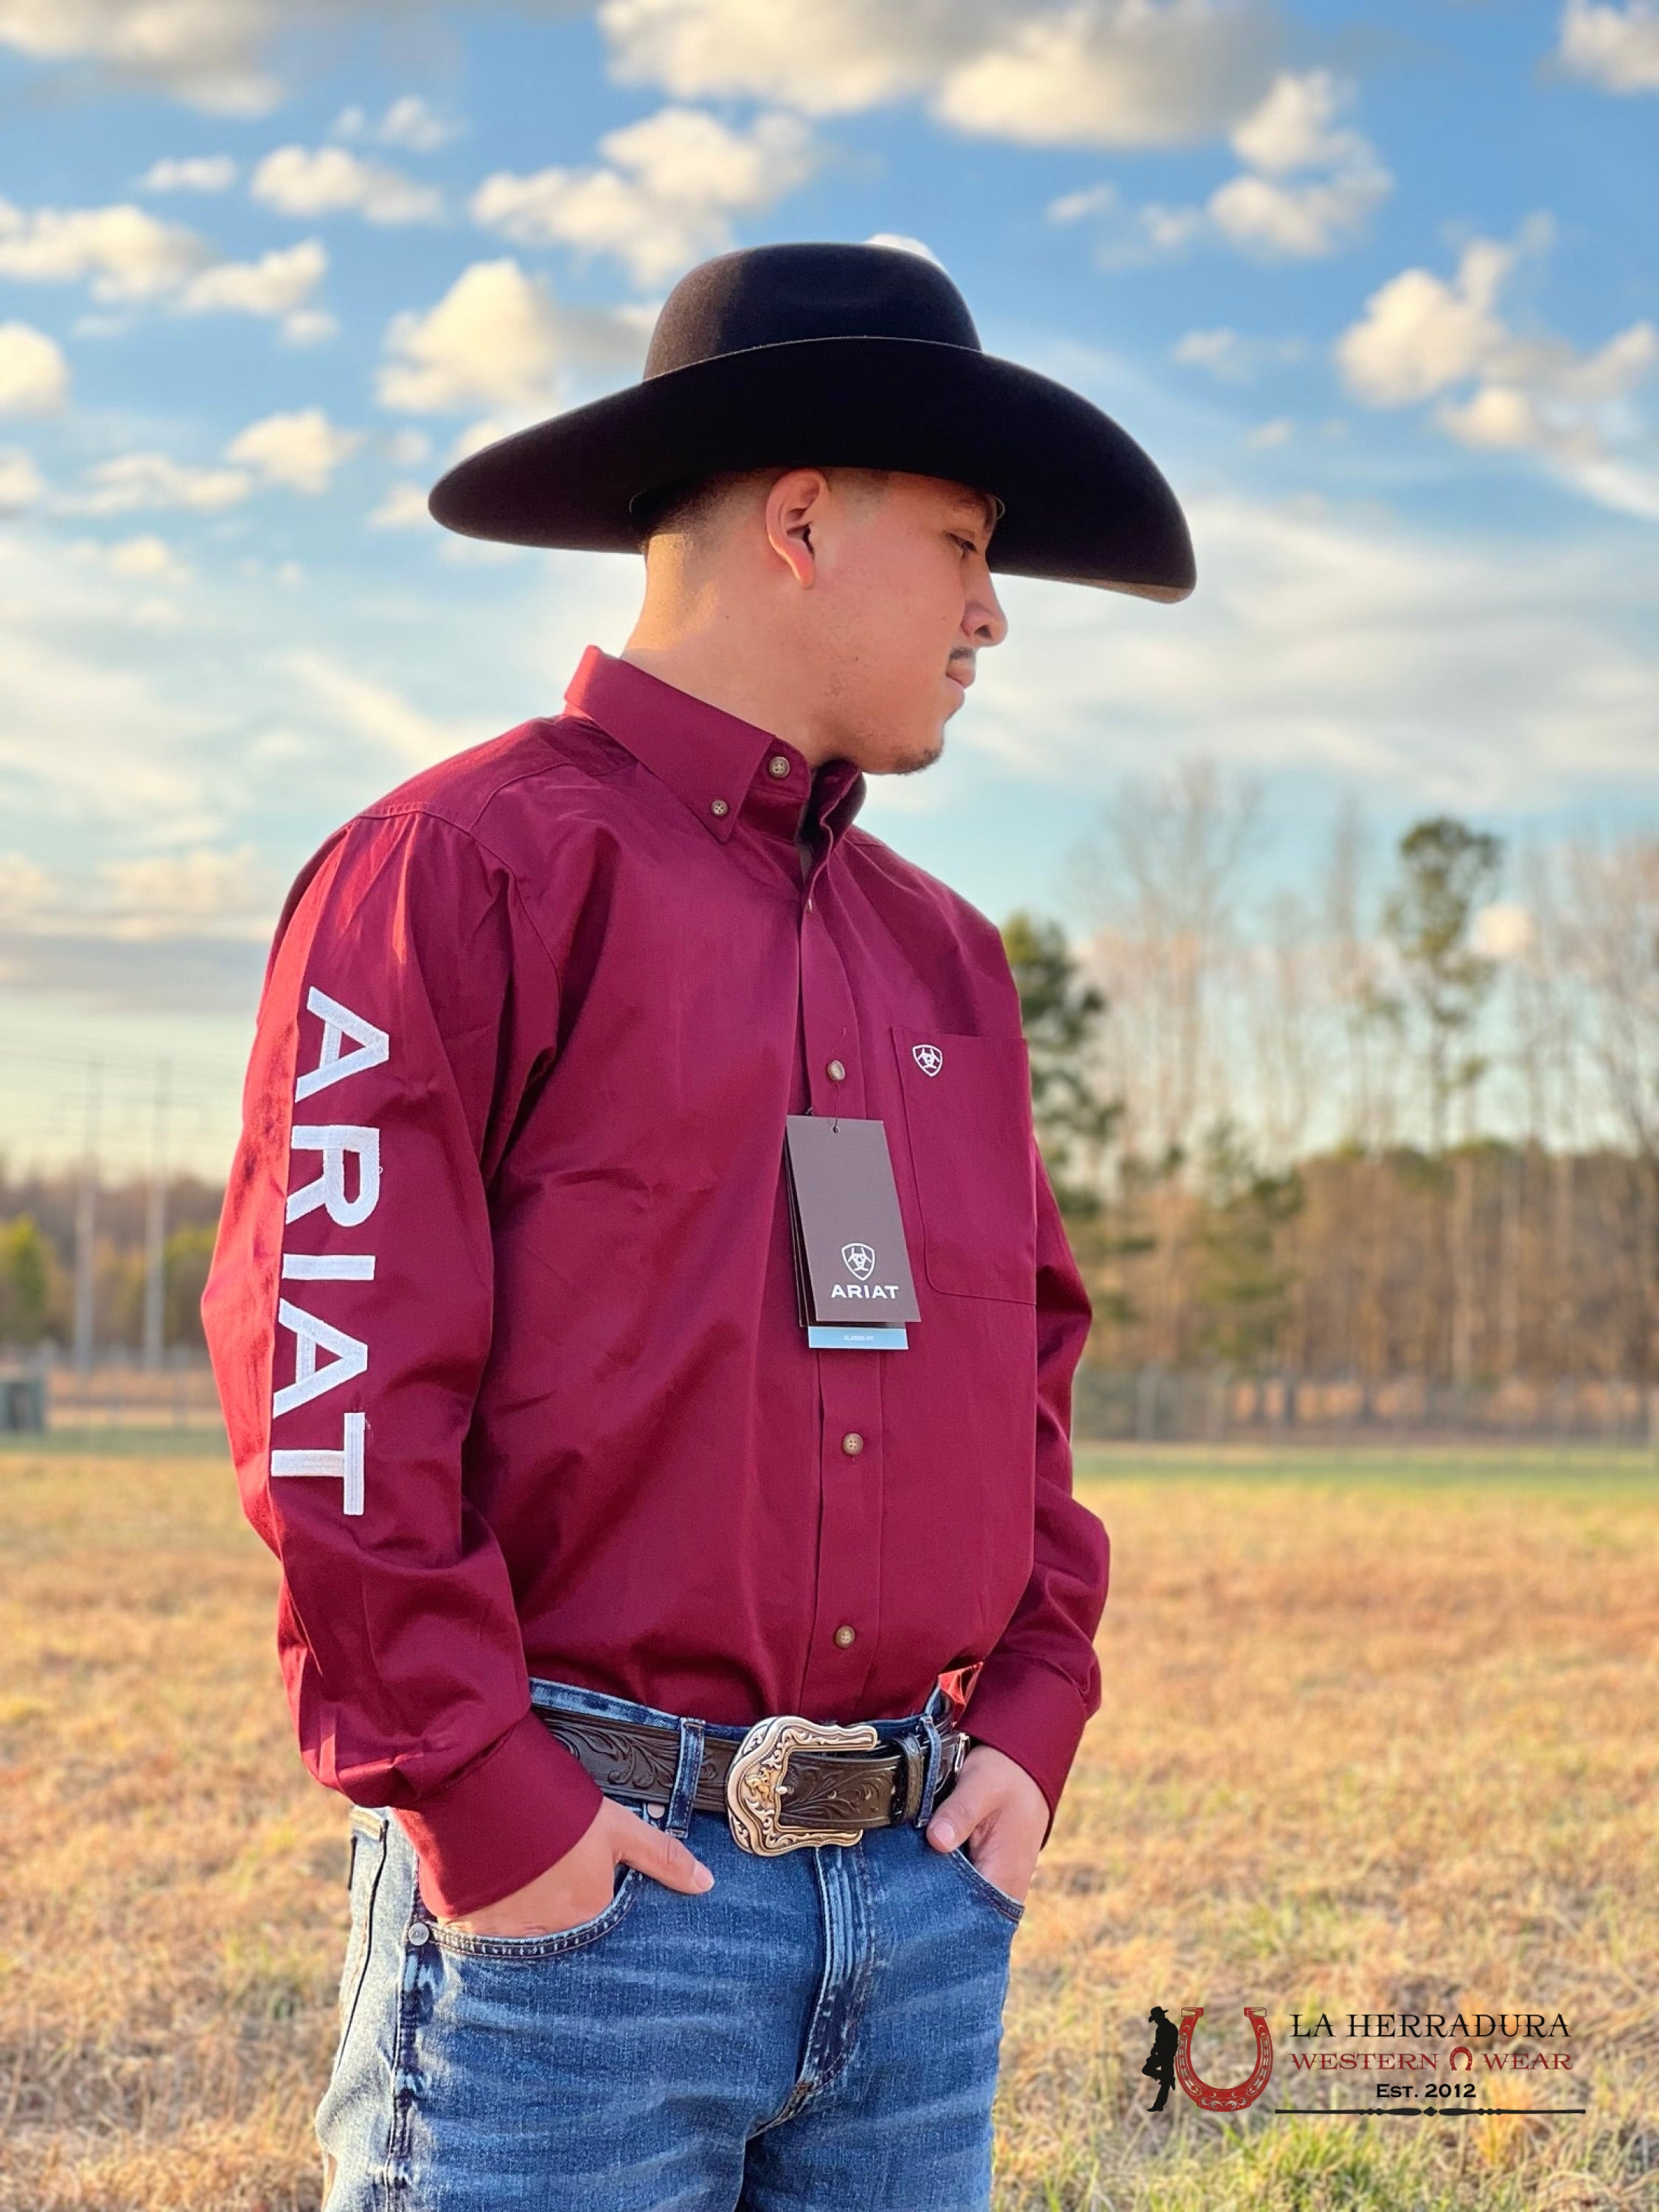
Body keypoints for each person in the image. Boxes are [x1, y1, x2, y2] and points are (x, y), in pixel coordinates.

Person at [203, 240, 1194, 2212]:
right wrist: (492, 1809)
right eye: (968, 540)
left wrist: (1034, 1716)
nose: (995, 610)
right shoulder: (452, 873)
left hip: (917, 1916)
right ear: (806, 525)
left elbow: (1023, 1383)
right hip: (582, 1922)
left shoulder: (950, 969)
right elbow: (328, 1383)